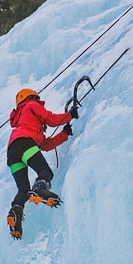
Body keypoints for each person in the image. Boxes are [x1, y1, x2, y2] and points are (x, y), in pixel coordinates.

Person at [6, 87, 78, 240]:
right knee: (45, 172)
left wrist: (64, 134)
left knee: (23, 190)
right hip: (24, 144)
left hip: (12, 152)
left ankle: (15, 214)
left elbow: (45, 145)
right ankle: (39, 189)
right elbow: (50, 119)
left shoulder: (22, 121)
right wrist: (69, 116)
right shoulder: (31, 105)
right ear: (32, 97)